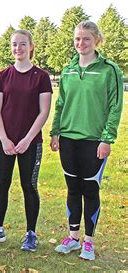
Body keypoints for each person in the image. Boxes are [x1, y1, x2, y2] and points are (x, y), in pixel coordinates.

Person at [51, 21, 123, 261]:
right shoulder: (67, 70)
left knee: (90, 190)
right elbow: (60, 104)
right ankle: (73, 238)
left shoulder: (109, 69)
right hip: (68, 140)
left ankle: (88, 242)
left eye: (86, 39)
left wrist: (107, 138)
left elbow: (115, 106)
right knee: (72, 189)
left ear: (96, 41)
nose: (80, 43)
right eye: (77, 39)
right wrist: (55, 132)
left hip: (94, 140)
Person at [0, 29, 52, 251]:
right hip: (4, 141)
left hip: (31, 142)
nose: (18, 48)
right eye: (14, 44)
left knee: (29, 186)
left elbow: (44, 112)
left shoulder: (41, 77)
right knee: (1, 184)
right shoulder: (3, 76)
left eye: (22, 44)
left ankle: (31, 234)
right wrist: (4, 138)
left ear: (31, 46)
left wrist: (28, 139)